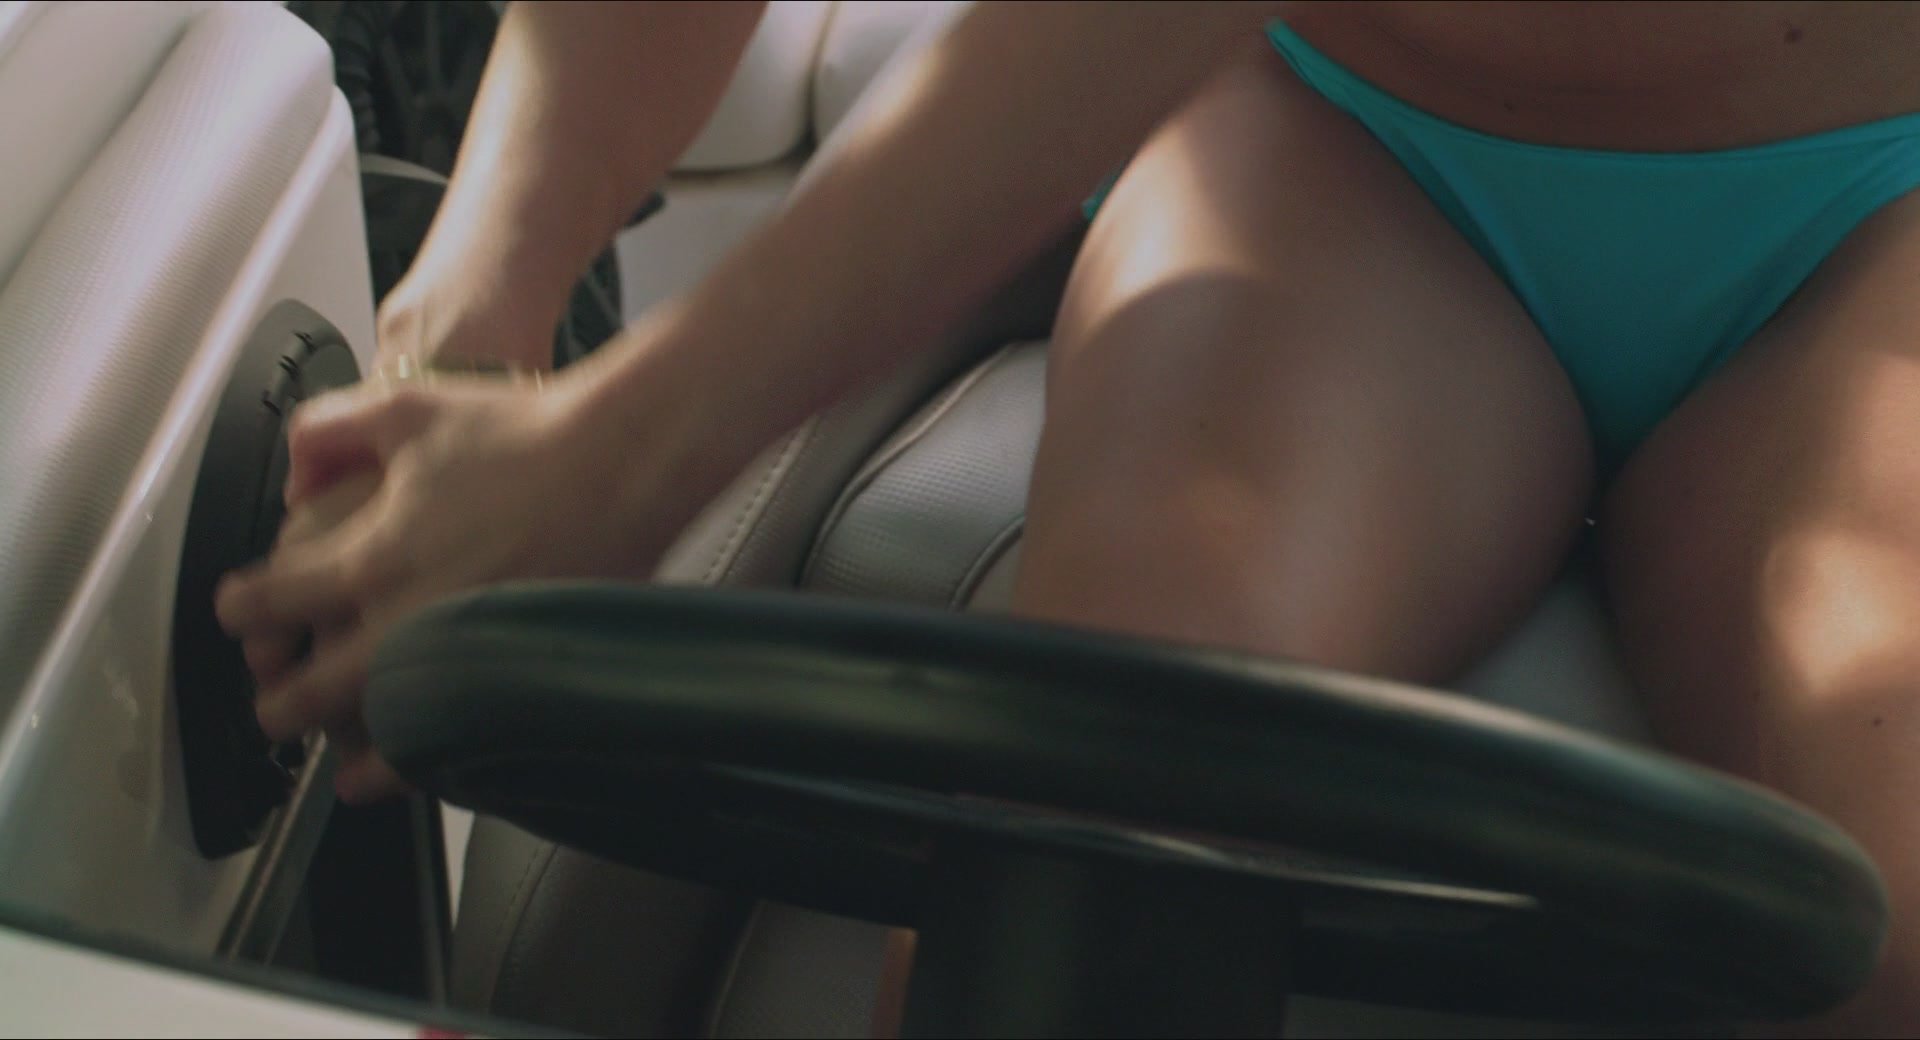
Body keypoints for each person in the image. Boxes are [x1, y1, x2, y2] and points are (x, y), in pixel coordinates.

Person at [217, 2, 1920, 1032]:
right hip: (1351, 146)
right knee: (1104, 808)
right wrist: (474, 309)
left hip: (1878, 198)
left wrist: (618, 454)